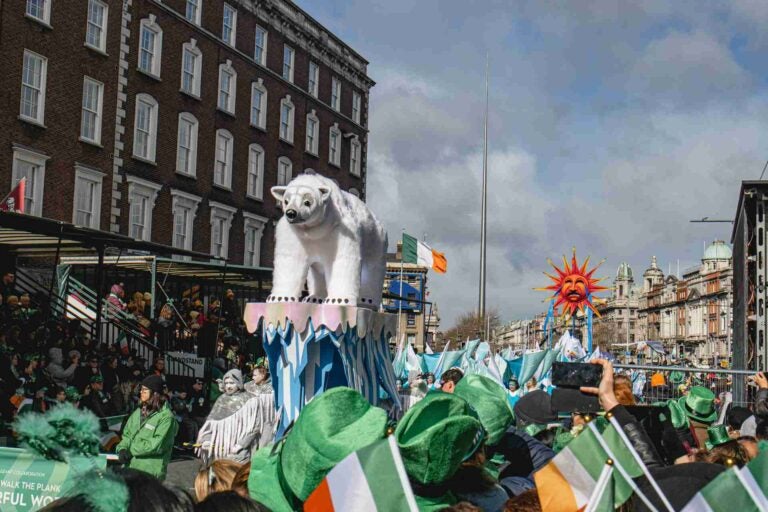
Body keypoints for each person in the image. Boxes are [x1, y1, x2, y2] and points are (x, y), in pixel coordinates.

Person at [196, 369, 275, 463]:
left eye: (232, 383)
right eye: (226, 383)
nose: (228, 386)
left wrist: (241, 445)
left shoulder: (251, 400)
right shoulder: (221, 400)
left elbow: (255, 426)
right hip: (220, 452)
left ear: (238, 383)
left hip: (240, 453)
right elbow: (210, 425)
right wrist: (206, 440)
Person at [115, 375, 178, 481]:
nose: (141, 392)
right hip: (131, 467)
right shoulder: (138, 412)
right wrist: (122, 448)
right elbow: (127, 435)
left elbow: (156, 445)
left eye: (144, 390)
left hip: (150, 472)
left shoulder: (166, 417)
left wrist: (131, 450)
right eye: (141, 389)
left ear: (155, 393)